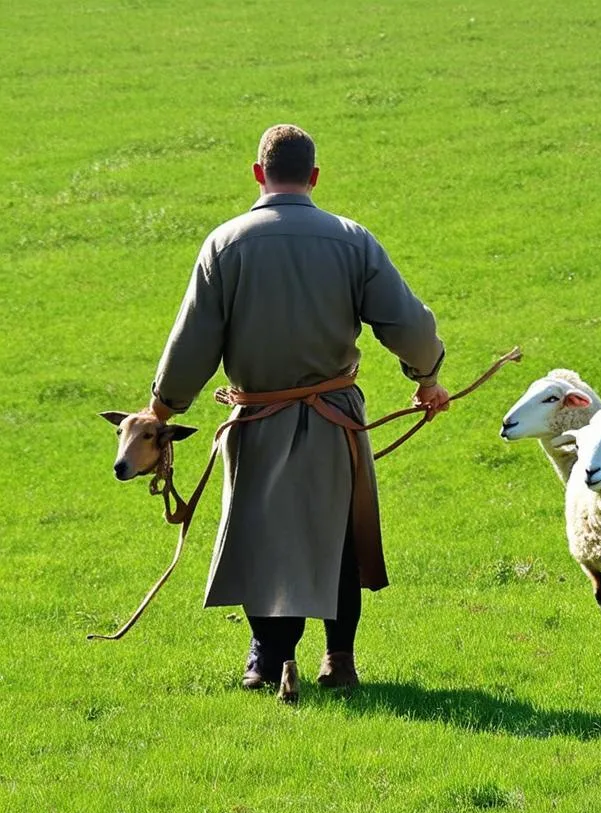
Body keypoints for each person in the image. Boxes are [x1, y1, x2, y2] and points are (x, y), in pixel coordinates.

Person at [148, 123, 449, 696]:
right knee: (337, 536)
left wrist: (162, 409)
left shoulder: (224, 243)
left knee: (265, 537)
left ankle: (266, 660)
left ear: (259, 175)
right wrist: (427, 379)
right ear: (314, 177)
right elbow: (409, 324)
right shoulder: (351, 239)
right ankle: (338, 660)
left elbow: (193, 343)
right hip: (336, 416)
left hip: (257, 419)